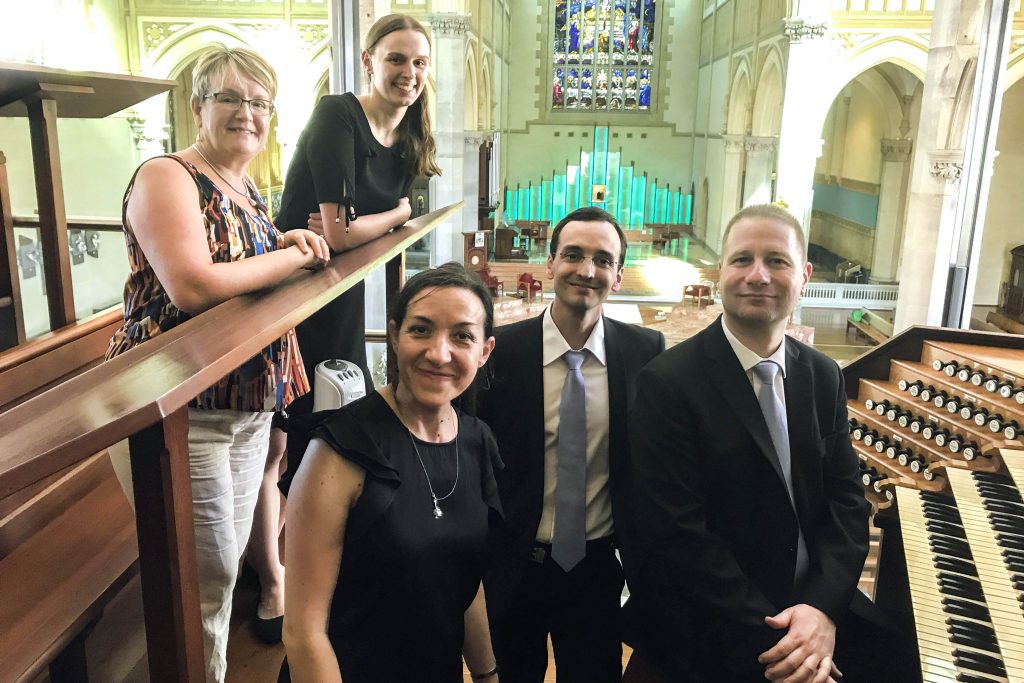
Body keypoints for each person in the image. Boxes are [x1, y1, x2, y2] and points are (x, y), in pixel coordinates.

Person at [104, 45, 329, 682]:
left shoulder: (247, 185)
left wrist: (280, 239)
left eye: (260, 103)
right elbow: (195, 285)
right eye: (230, 98)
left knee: (224, 567)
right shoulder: (167, 175)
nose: (248, 113)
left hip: (246, 405)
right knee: (201, 578)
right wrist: (294, 260)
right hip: (181, 409)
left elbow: (240, 268)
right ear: (198, 106)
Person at [621, 204, 912, 682]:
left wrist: (821, 610)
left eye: (776, 260)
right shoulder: (668, 382)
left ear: (804, 275)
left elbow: (847, 502)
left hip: (813, 606)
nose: (758, 275)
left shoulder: (822, 375)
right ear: (720, 273)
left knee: (906, 660)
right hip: (710, 620)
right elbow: (678, 533)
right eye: (742, 260)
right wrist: (785, 638)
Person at [250, 13, 441, 641]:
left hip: (342, 294)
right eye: (396, 60)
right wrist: (404, 211)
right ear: (368, 61)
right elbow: (333, 233)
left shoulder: (411, 132)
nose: (409, 75)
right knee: (285, 435)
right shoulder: (339, 115)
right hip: (289, 291)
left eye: (418, 63)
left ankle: (310, 566)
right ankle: (278, 580)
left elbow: (354, 233)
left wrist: (372, 222)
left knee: (325, 423)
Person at [281, 263, 502, 682]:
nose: (439, 353)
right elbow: (303, 634)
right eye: (421, 330)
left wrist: (486, 673)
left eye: (462, 336)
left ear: (484, 351)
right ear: (395, 337)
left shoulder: (476, 441)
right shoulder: (339, 449)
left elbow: (462, 575)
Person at [471, 207, 665, 682]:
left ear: (618, 276)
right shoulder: (501, 351)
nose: (587, 270)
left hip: (597, 569)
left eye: (603, 260)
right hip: (516, 564)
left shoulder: (645, 352)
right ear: (550, 264)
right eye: (574, 255)